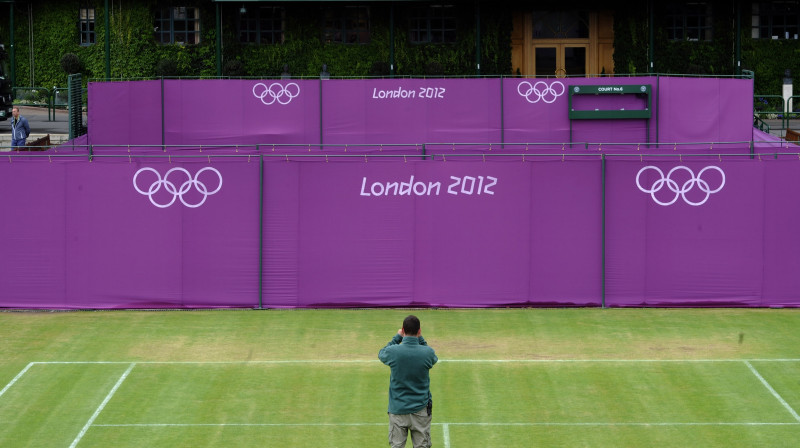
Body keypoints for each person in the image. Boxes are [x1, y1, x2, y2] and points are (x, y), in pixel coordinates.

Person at [379, 315, 438, 448]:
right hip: (421, 411)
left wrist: (397, 337)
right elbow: (432, 356)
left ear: (403, 330)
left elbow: (381, 353)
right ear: (419, 331)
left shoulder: (393, 352)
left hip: (398, 410)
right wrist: (420, 338)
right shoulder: (427, 353)